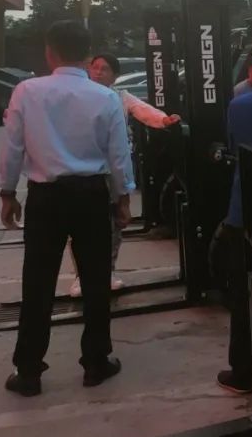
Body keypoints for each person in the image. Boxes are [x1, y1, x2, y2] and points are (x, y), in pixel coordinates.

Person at [0, 21, 133, 397]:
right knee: (96, 281)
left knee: (37, 282)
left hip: (45, 198)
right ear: (88, 55)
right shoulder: (105, 97)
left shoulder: (27, 92)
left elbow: (13, 146)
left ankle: (28, 371)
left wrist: (8, 193)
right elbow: (118, 155)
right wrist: (122, 198)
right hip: (91, 196)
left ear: (50, 52)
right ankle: (96, 362)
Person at [72, 53, 180, 296]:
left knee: (114, 226)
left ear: (114, 76)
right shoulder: (78, 95)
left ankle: (108, 271)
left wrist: (163, 120)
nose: (98, 72)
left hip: (113, 171)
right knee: (81, 228)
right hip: (85, 169)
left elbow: (142, 110)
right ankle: (81, 277)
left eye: (105, 69)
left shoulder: (120, 97)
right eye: (95, 67)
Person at [213, 86, 252, 394]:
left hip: (246, 211)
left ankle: (244, 371)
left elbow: (235, 150)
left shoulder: (242, 106)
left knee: (243, 295)